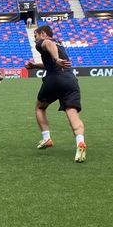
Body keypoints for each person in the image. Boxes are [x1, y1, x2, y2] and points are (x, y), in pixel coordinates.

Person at [24, 24, 86, 163]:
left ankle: (46, 138)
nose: (35, 40)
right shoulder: (60, 44)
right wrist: (35, 65)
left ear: (43, 34)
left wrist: (56, 59)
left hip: (54, 80)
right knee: (72, 114)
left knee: (40, 107)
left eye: (36, 36)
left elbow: (47, 44)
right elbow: (50, 62)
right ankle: (80, 142)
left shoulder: (44, 42)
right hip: (70, 81)